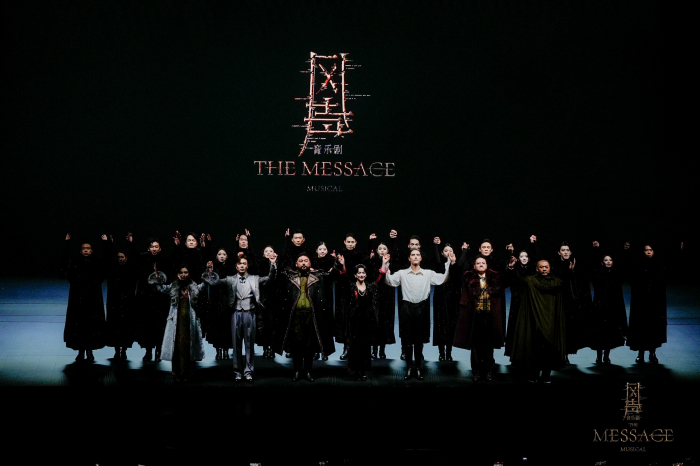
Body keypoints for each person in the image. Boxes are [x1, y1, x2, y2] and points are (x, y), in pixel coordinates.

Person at [381, 248, 455, 380]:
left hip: (422, 308)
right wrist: (385, 264)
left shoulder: (428, 273)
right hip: (407, 307)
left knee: (419, 340)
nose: (415, 257)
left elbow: (443, 278)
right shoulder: (402, 273)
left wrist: (449, 262)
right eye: (413, 255)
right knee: (407, 340)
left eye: (417, 255)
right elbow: (389, 281)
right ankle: (409, 368)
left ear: (421, 258)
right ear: (409, 258)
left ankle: (418, 368)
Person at [205, 254, 277, 382]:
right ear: (236, 266)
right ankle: (237, 372)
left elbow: (270, 279)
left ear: (247, 265)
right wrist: (210, 272)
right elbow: (214, 283)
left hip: (250, 313)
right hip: (236, 313)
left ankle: (248, 371)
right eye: (240, 264)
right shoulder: (230, 279)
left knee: (249, 345)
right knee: (236, 344)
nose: (242, 265)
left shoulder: (254, 279)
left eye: (244, 263)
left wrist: (273, 264)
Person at [149, 262, 215, 382]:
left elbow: (203, 286)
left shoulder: (193, 286)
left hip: (189, 322)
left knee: (188, 347)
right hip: (177, 322)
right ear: (178, 274)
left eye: (185, 272)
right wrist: (157, 275)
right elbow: (161, 288)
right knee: (176, 347)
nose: (183, 275)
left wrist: (209, 273)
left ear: (188, 273)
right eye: (181, 273)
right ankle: (176, 372)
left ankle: (187, 373)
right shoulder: (174, 286)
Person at [275, 252, 337, 382]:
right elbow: (277, 277)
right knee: (296, 345)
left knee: (309, 345)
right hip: (296, 316)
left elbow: (332, 276)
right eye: (301, 261)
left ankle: (308, 370)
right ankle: (297, 370)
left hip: (312, 316)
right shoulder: (289, 277)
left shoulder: (318, 277)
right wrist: (274, 263)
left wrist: (337, 264)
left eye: (306, 260)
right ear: (296, 264)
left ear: (310, 263)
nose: (303, 263)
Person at [508, 258, 566, 383]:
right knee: (534, 349)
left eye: (546, 267)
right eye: (541, 267)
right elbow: (517, 282)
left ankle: (546, 376)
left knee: (548, 350)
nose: (544, 269)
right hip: (535, 323)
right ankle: (533, 375)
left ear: (550, 268)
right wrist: (512, 269)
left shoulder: (556, 282)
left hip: (551, 322)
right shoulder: (530, 281)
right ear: (536, 269)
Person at [453, 256, 505, 381]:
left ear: (487, 265)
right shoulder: (468, 278)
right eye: (478, 263)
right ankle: (476, 371)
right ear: (474, 266)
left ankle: (488, 371)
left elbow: (504, 283)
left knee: (488, 345)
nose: (481, 265)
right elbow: (455, 276)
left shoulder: (494, 278)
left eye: (483, 263)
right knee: (475, 346)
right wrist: (454, 263)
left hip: (489, 316)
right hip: (475, 316)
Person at [61, 234, 108, 362]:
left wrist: (106, 244)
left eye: (88, 248)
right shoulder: (75, 262)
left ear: (91, 250)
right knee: (80, 325)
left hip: (92, 299)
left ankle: (89, 351)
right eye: (84, 248)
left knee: (91, 325)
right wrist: (67, 244)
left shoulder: (96, 262)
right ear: (80, 251)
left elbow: (103, 270)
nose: (86, 250)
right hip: (78, 298)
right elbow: (67, 271)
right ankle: (81, 351)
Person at [127, 233, 171, 362]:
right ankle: (148, 351)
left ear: (160, 248)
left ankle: (158, 351)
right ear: (148, 248)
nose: (154, 249)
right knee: (147, 325)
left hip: (160, 299)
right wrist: (131, 244)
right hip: (146, 298)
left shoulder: (164, 261)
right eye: (152, 247)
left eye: (156, 246)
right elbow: (134, 256)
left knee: (159, 325)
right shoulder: (143, 259)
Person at [338, 259, 381, 380]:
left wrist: (384, 265)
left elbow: (379, 279)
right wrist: (343, 265)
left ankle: (363, 370)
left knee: (365, 346)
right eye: (359, 273)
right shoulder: (352, 286)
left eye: (363, 273)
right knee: (355, 346)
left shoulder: (370, 287)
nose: (361, 275)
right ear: (355, 275)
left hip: (366, 321)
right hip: (354, 321)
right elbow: (344, 278)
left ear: (366, 274)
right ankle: (356, 370)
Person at [627, 244, 667, 363]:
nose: (648, 252)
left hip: (654, 302)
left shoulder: (659, 265)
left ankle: (652, 353)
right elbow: (633, 281)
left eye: (650, 250)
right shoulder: (638, 264)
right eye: (646, 250)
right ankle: (641, 353)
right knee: (641, 327)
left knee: (653, 328)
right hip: (641, 302)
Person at [588, 247, 628, 364]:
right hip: (600, 308)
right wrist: (596, 250)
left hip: (612, 308)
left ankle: (606, 356)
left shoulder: (616, 274)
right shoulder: (598, 274)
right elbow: (593, 271)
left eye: (610, 260)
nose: (609, 262)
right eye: (606, 260)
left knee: (610, 333)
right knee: (600, 333)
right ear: (602, 263)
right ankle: (599, 356)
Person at [335, 233, 368, 360]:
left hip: (356, 289)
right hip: (343, 290)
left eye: (352, 242)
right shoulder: (340, 254)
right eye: (348, 242)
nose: (350, 244)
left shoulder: (359, 255)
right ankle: (346, 348)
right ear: (344, 242)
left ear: (355, 243)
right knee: (345, 320)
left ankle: (358, 349)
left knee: (357, 319)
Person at [104, 237, 137, 360]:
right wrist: (110, 245)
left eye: (122, 257)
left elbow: (134, 258)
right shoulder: (113, 269)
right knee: (115, 326)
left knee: (125, 326)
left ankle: (124, 349)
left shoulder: (130, 269)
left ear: (126, 258)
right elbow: (108, 260)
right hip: (114, 302)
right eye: (118, 257)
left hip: (127, 302)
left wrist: (130, 244)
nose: (120, 259)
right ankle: (117, 350)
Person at [200, 247, 235, 360]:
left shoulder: (230, 268)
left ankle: (226, 350)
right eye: (219, 254)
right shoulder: (213, 268)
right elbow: (207, 281)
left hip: (226, 301)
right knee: (216, 327)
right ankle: (218, 350)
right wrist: (209, 271)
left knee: (226, 327)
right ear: (216, 256)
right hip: (215, 301)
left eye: (224, 254)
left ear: (227, 256)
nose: (221, 256)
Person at [367, 234, 397, 359]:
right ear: (377, 251)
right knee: (375, 321)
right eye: (380, 249)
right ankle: (374, 348)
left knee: (385, 321)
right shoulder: (373, 262)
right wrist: (371, 243)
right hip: (375, 294)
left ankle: (382, 349)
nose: (382, 250)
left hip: (388, 294)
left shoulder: (391, 262)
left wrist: (392, 240)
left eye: (384, 248)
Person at [504, 245, 537, 357]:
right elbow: (507, 281)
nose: (524, 258)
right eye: (522, 256)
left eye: (526, 256)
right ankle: (515, 353)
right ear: (518, 258)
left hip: (530, 301)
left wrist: (533, 245)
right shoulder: (515, 269)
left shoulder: (533, 270)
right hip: (517, 302)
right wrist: (510, 254)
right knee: (515, 326)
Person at [432, 237, 461, 361]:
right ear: (442, 253)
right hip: (440, 297)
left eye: (450, 250)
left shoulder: (457, 265)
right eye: (445, 250)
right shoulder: (440, 265)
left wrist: (453, 263)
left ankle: (449, 352)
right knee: (440, 324)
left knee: (451, 324)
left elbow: (457, 279)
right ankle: (441, 352)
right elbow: (438, 260)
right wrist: (436, 246)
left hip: (453, 298)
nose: (448, 252)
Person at [311, 241, 339, 361]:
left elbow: (334, 277)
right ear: (316, 250)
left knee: (325, 324)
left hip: (327, 296)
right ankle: (315, 351)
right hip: (314, 294)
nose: (322, 251)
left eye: (324, 249)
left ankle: (325, 351)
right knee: (315, 323)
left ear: (327, 251)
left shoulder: (331, 261)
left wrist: (335, 265)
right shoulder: (312, 261)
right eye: (320, 249)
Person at [257, 245, 282, 359]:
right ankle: (265, 348)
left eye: (270, 251)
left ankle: (272, 348)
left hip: (275, 298)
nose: (268, 253)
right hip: (263, 298)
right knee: (264, 325)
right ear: (263, 254)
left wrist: (275, 263)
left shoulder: (278, 264)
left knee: (273, 325)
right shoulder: (260, 265)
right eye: (266, 251)